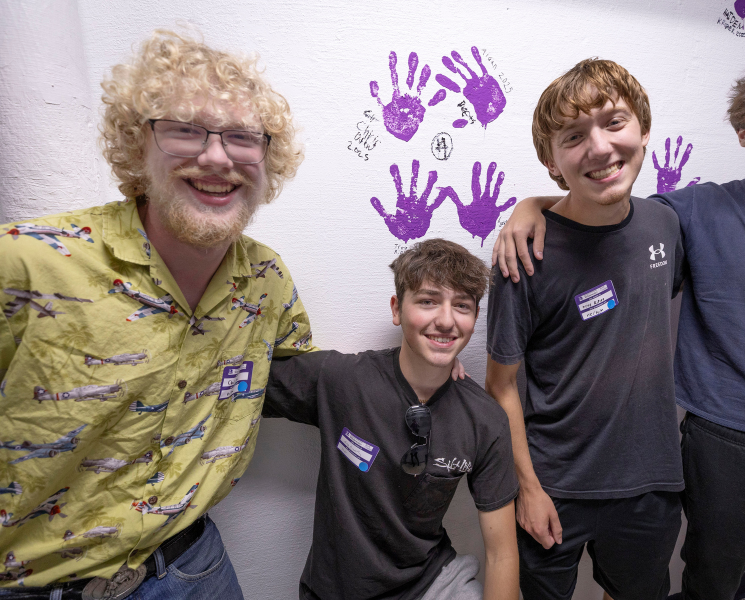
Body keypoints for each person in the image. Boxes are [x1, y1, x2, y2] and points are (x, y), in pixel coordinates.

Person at [493, 46, 745, 600]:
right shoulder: (685, 214)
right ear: (742, 131)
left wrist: (531, 202)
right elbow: (599, 207)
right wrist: (528, 207)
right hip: (683, 454)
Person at [0, 30, 313, 599]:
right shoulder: (27, 261)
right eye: (185, 130)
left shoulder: (265, 281)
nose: (217, 156)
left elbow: (313, 373)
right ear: (135, 146)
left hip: (192, 568)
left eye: (243, 137)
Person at [484, 59, 685, 600]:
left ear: (643, 129)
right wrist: (527, 488)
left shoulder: (665, 223)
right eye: (574, 136)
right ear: (551, 159)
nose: (599, 148)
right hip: (554, 488)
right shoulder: (524, 255)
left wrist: (531, 201)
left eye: (615, 122)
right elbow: (501, 386)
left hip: (651, 484)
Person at [263, 238, 519, 600]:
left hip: (433, 584)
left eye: (462, 306)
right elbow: (239, 376)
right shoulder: (342, 380)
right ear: (397, 309)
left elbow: (502, 553)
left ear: (475, 319)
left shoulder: (485, 420)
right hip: (337, 589)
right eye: (428, 301)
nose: (446, 321)